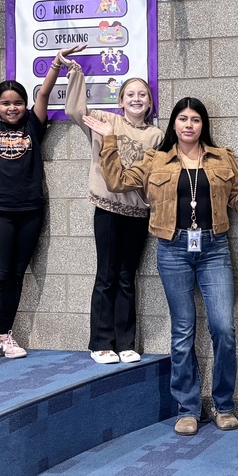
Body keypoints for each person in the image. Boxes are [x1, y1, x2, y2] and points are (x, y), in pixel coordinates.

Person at [83, 98, 238, 436]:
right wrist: (108, 140)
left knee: (223, 329)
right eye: (183, 119)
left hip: (214, 248)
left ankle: (224, 405)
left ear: (204, 125)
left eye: (196, 120)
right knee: (183, 330)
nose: (189, 125)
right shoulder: (156, 160)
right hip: (172, 248)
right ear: (174, 124)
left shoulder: (222, 158)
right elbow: (117, 182)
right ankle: (187, 408)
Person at [0, 25, 84, 368]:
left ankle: (5, 335)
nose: (13, 108)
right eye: (6, 104)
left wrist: (57, 64)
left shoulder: (33, 124)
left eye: (18, 102)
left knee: (17, 275)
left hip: (31, 209)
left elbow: (44, 95)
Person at [65, 60, 163, 365]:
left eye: (143, 95)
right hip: (107, 210)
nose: (137, 99)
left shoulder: (157, 136)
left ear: (149, 103)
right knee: (106, 275)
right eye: (131, 94)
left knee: (126, 277)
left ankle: (126, 342)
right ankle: (101, 342)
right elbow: (74, 111)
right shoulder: (106, 120)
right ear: (121, 101)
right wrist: (76, 74)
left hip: (137, 214)